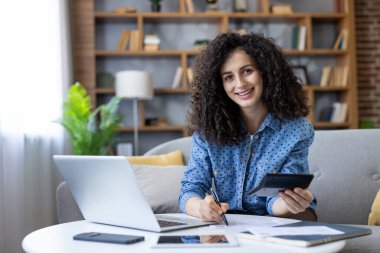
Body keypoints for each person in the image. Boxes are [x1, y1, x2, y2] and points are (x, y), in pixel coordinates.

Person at [179, 32, 317, 222]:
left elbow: (276, 199)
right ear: (219, 85)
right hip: (224, 226)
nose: (240, 84)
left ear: (265, 72)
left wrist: (290, 202)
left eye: (247, 71)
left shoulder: (296, 130)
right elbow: (190, 189)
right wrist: (200, 207)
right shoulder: (208, 131)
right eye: (228, 77)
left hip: (271, 226)